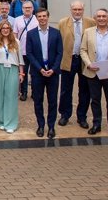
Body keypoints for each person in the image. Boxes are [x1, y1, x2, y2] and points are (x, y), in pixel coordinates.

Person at [80, 8, 108, 139]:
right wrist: (88, 64)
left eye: (104, 16)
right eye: (98, 16)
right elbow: (83, 50)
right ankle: (96, 124)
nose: (101, 18)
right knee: (95, 100)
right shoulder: (88, 32)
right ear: (95, 18)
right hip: (93, 71)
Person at [25, 8, 63, 139]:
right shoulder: (31, 34)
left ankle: (51, 126)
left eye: (44, 16)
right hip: (37, 73)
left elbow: (60, 53)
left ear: (48, 17)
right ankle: (41, 125)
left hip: (53, 73)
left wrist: (53, 69)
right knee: (38, 101)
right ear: (36, 18)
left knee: (52, 101)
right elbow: (29, 53)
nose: (42, 18)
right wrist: (40, 69)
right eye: (39, 16)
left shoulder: (56, 33)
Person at [57, 1, 95, 129]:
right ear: (71, 10)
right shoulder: (63, 23)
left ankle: (82, 116)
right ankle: (65, 115)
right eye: (75, 9)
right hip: (69, 59)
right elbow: (58, 42)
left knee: (85, 89)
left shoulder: (91, 22)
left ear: (83, 10)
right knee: (66, 89)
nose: (77, 12)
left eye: (80, 9)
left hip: (85, 61)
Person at [0, 20, 23, 133]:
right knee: (0, 95)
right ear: (0, 30)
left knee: (11, 96)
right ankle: (0, 121)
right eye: (3, 28)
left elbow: (20, 59)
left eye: (7, 28)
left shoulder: (16, 42)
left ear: (10, 30)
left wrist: (21, 73)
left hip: (12, 69)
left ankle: (10, 123)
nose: (5, 30)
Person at [13, 1, 38, 101]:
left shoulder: (37, 19)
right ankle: (24, 92)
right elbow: (15, 34)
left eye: (29, 7)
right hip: (21, 51)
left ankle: (35, 92)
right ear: (22, 9)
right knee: (22, 73)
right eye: (25, 7)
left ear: (32, 9)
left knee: (34, 73)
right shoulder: (17, 20)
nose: (27, 9)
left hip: (34, 52)